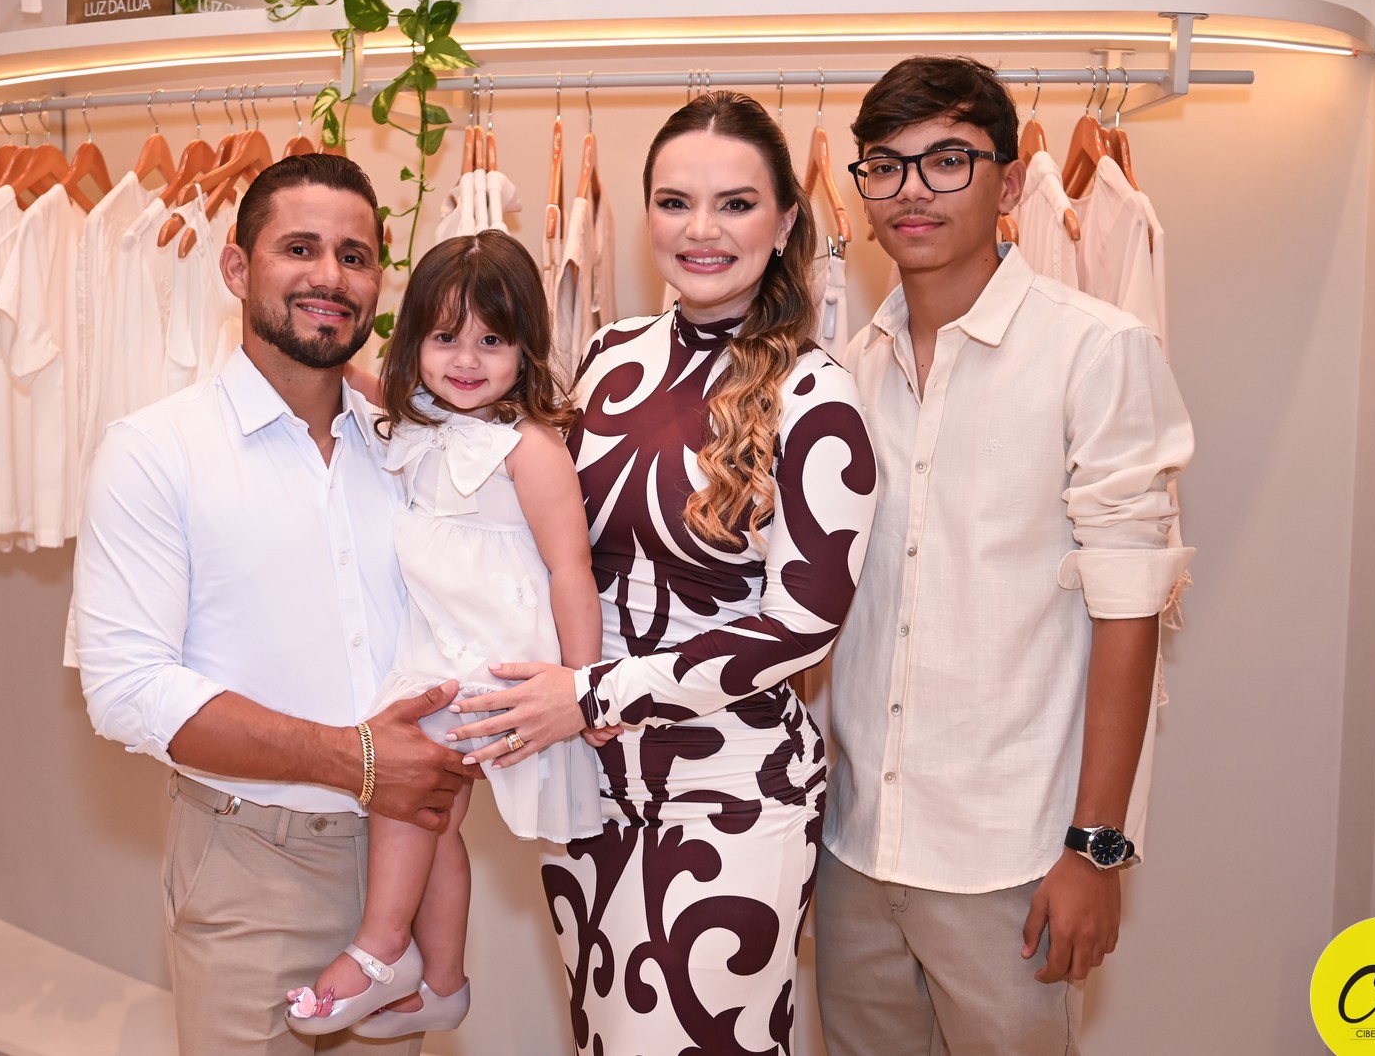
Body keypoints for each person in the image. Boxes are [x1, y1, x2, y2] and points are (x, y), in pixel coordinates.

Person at [448, 91, 878, 1055]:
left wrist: (591, 693)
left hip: (728, 788)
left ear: (786, 223)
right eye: (675, 202)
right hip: (586, 777)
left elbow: (802, 624)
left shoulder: (818, 394)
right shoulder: (607, 357)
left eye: (735, 204)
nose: (701, 230)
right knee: (605, 1037)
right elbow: (545, 531)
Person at [814, 56, 1195, 1055]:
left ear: (1011, 180)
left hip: (1012, 861)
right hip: (854, 851)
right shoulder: (842, 373)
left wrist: (1095, 849)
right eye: (885, 166)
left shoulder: (1095, 351)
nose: (912, 191)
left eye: (947, 161)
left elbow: (1129, 609)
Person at [73, 153, 473, 1056]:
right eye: (300, 248)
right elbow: (126, 690)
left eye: (355, 256)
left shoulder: (411, 451)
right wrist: (359, 759)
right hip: (251, 867)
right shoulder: (155, 451)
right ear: (235, 266)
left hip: (408, 862)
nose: (330, 276)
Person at [284, 229, 605, 1038]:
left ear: (526, 347)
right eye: (444, 337)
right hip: (436, 648)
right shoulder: (417, 422)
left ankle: (381, 947)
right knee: (436, 818)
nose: (466, 360)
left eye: (492, 341)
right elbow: (355, 378)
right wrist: (317, 354)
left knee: (411, 798)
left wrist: (585, 686)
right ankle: (443, 983)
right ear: (415, 342)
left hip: (495, 659)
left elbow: (571, 570)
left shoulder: (529, 449)